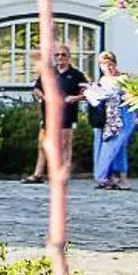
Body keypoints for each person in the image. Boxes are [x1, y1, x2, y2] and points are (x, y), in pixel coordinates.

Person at [23, 45, 90, 183]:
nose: (60, 57)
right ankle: (38, 174)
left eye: (63, 55)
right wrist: (45, 97)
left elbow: (87, 92)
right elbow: (36, 89)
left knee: (65, 144)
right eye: (57, 55)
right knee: (43, 144)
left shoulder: (77, 75)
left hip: (67, 113)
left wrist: (74, 98)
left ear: (69, 57)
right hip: (48, 113)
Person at [86, 51, 138, 191]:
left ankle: (120, 177)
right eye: (105, 65)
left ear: (115, 64)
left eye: (111, 65)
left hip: (123, 116)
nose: (108, 68)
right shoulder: (103, 80)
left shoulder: (124, 78)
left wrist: (122, 97)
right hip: (108, 117)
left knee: (117, 145)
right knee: (108, 145)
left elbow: (134, 97)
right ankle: (111, 177)